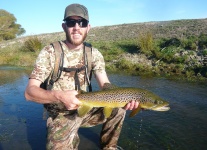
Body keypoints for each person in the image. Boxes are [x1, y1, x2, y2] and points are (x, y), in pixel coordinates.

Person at [25, 3, 139, 150]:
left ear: (88, 27)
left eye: (82, 22)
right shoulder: (50, 52)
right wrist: (60, 96)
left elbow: (106, 85)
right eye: (71, 22)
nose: (77, 27)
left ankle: (109, 147)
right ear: (64, 26)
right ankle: (55, 126)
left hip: (87, 108)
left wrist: (129, 100)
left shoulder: (94, 54)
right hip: (61, 114)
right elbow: (29, 93)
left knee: (119, 108)